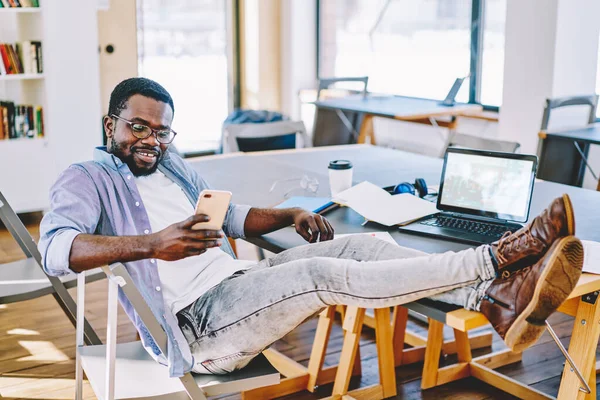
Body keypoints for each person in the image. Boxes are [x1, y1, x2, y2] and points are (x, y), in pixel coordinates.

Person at [38, 77, 584, 377]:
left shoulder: (172, 163)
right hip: (196, 326)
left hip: (236, 286)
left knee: (364, 245)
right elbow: (56, 249)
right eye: (138, 127)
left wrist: (289, 215)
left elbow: (229, 217)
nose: (151, 140)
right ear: (111, 123)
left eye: (162, 131)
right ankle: (498, 261)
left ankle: (493, 298)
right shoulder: (87, 177)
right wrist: (154, 244)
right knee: (322, 274)